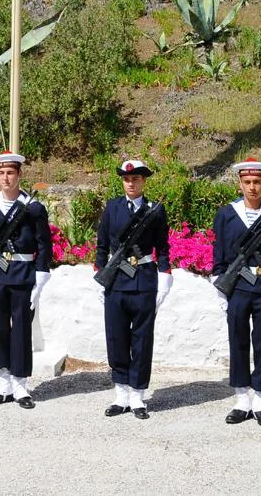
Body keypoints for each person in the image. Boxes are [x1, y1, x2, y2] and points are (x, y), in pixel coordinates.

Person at [212, 158, 261, 427]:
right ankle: (241, 398)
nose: (252, 187)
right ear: (240, 183)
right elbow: (220, 253)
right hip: (236, 287)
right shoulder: (227, 214)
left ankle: (260, 400)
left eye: (257, 182)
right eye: (247, 182)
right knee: (237, 340)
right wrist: (221, 289)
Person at [93, 159, 172, 420]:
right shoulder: (113, 207)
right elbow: (102, 244)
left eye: (136, 179)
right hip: (116, 280)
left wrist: (163, 278)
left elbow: (162, 248)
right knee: (116, 337)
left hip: (143, 280)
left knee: (141, 339)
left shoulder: (155, 210)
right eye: (127, 179)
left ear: (143, 181)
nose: (131, 183)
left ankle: (138, 395)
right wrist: (99, 273)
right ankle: (121, 392)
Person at [0, 151, 52, 410]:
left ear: (19, 175)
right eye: (1, 173)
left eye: (10, 173)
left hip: (23, 274)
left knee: (21, 329)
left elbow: (44, 244)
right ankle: (2, 384)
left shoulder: (33, 208)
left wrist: (40, 277)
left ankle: (20, 386)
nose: (5, 178)